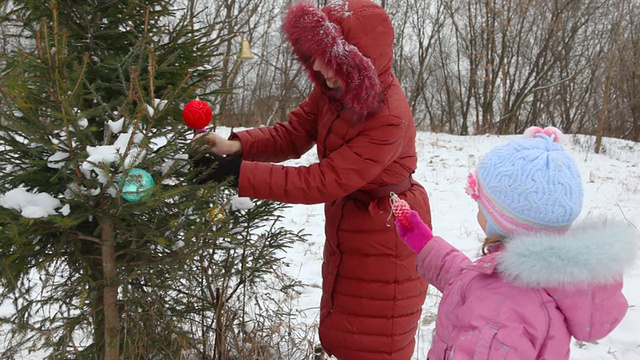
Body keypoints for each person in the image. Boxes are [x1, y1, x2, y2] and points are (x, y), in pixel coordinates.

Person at [190, 0, 431, 358]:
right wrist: (235, 145)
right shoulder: (331, 90)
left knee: (376, 339)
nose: (317, 66)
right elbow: (292, 135)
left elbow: (323, 180)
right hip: (351, 220)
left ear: (359, 63)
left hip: (389, 229)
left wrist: (236, 176)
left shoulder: (388, 116)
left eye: (330, 58)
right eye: (315, 54)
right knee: (344, 324)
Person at [390, 126, 639, 359]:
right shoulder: (538, 280)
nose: (477, 207)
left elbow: (490, 297)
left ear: (503, 219)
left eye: (480, 202)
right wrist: (424, 243)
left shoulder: (499, 313)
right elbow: (475, 282)